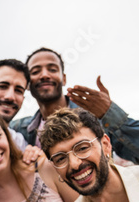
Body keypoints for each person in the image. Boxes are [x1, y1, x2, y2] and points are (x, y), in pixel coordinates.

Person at [10, 47, 139, 165]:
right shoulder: (18, 129)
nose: (44, 75)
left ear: (64, 78)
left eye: (52, 69)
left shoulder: (96, 118)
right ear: (27, 83)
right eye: (36, 71)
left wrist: (110, 114)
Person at [0, 58, 29, 152]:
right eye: (2, 86)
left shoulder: (20, 143)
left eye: (18, 90)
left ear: (23, 99)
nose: (10, 97)